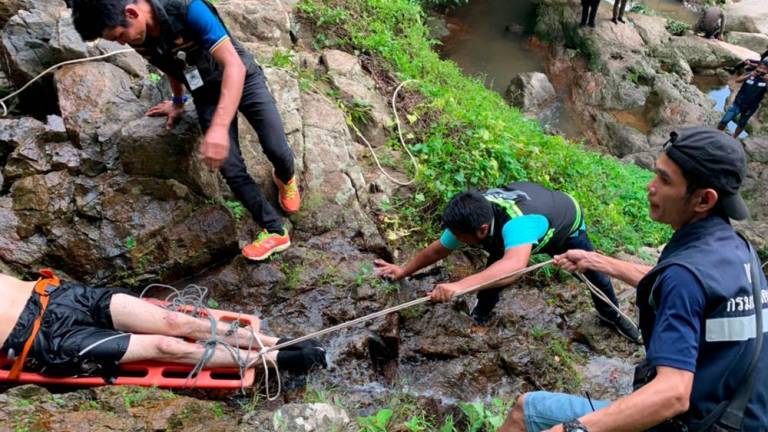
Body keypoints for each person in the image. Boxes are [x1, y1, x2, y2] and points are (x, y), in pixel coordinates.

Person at [501, 127, 767, 432]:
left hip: (688, 421)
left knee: (527, 412)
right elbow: (675, 286)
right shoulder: (736, 250)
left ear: (704, 200)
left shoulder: (685, 274)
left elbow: (673, 393)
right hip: (737, 417)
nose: (651, 187)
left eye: (665, 180)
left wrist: (575, 429)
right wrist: (593, 260)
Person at [71, 0, 300, 261]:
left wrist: (219, 129)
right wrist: (178, 101)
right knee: (230, 167)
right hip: (204, 92)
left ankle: (285, 177)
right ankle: (274, 229)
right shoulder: (137, 34)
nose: (122, 43)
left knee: (276, 148)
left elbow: (233, 66)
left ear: (131, 13)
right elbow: (168, 64)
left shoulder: (188, 8)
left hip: (242, 78)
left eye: (120, 36)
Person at [374, 182, 641, 343]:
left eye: (460, 237)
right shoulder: (473, 216)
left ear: (480, 230)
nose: (455, 240)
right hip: (522, 229)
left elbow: (513, 267)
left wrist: (459, 285)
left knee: (595, 277)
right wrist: (402, 270)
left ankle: (611, 316)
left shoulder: (518, 225)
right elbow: (438, 250)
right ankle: (481, 313)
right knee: (491, 276)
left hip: (564, 228)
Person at [1, 270, 326, 378]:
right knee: (164, 346)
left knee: (174, 321)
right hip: (42, 339)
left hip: (58, 296)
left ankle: (270, 340)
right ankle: (275, 359)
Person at [718, 59, 768, 138]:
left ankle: (734, 137)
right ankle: (718, 134)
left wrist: (766, 80)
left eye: (764, 69)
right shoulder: (750, 73)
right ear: (757, 67)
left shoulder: (766, 80)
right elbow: (737, 80)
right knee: (725, 120)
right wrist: (749, 75)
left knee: (742, 123)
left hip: (750, 107)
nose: (761, 70)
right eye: (760, 68)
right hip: (738, 103)